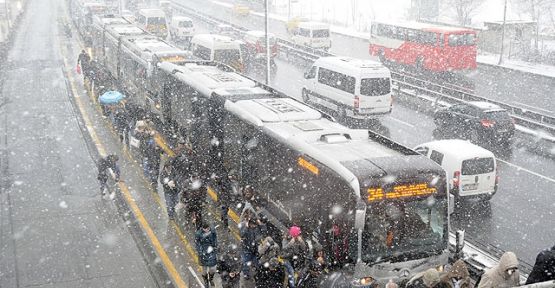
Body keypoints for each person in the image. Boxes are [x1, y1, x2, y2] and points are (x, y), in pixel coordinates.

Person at [195, 222, 218, 287]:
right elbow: (197, 244)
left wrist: (215, 246)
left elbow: (215, 239)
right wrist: (201, 252)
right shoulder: (198, 234)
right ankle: (206, 281)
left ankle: (211, 279)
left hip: (211, 251)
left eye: (208, 228)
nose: (207, 230)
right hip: (203, 253)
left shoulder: (213, 231)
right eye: (206, 229)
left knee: (213, 269)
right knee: (204, 270)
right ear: (202, 228)